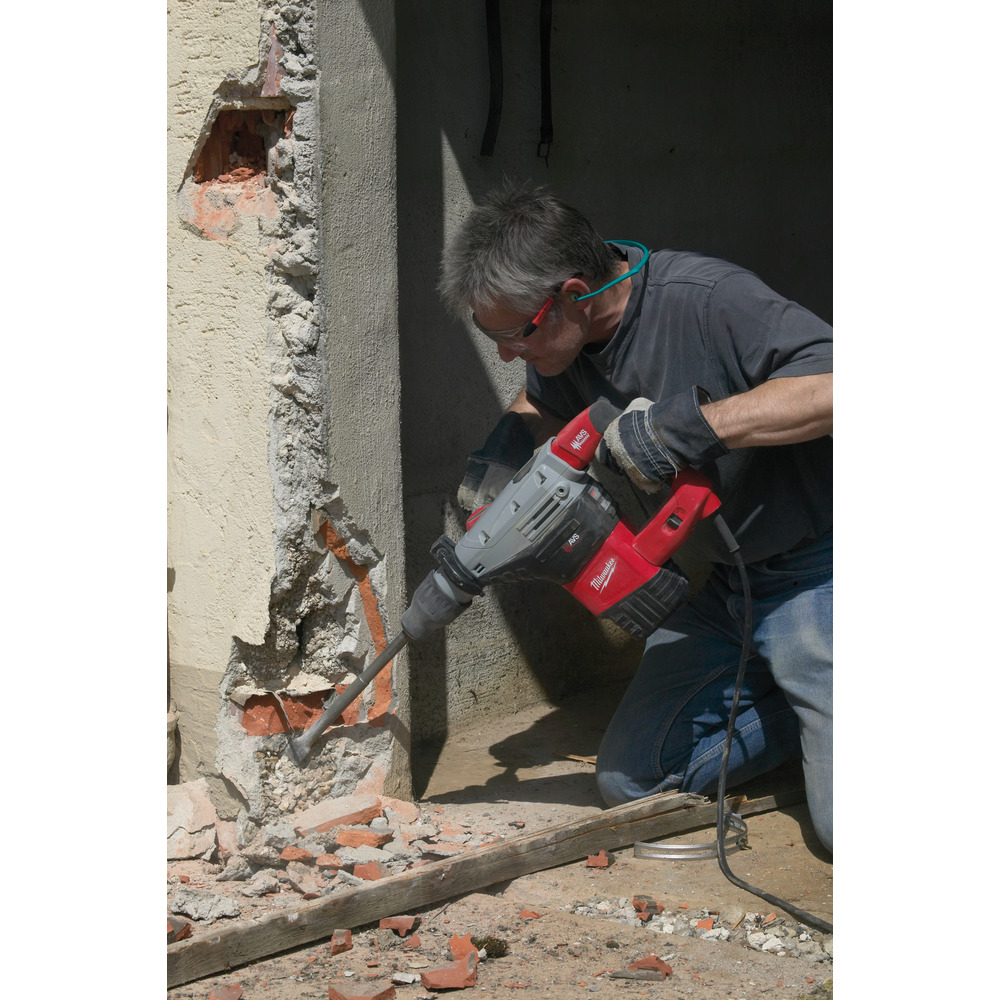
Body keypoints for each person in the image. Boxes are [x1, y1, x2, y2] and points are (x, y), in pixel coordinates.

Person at [437, 182, 833, 853]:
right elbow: (543, 405)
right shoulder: (563, 342)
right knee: (631, 780)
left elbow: (836, 383)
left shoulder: (708, 299)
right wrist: (502, 454)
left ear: (571, 294)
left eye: (512, 334)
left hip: (821, 571)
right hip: (730, 590)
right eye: (489, 334)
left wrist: (693, 428)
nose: (505, 354)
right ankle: (802, 713)